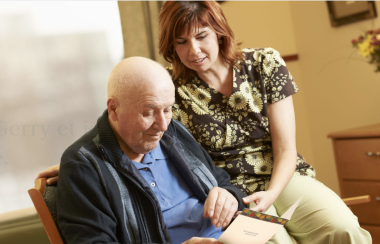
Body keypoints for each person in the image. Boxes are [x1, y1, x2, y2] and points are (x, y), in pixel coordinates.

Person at [37, 1, 372, 243]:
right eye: (181, 42)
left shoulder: (263, 63)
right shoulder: (171, 88)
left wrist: (270, 193)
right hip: (227, 193)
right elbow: (129, 120)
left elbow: (286, 149)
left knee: (341, 230)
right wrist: (79, 161)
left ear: (220, 32)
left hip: (279, 178)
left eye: (201, 36)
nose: (193, 50)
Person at [53, 57, 247, 244]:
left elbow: (220, 180)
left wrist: (229, 195)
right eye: (148, 112)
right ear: (113, 109)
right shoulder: (83, 166)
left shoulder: (174, 132)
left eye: (167, 110)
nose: (162, 125)